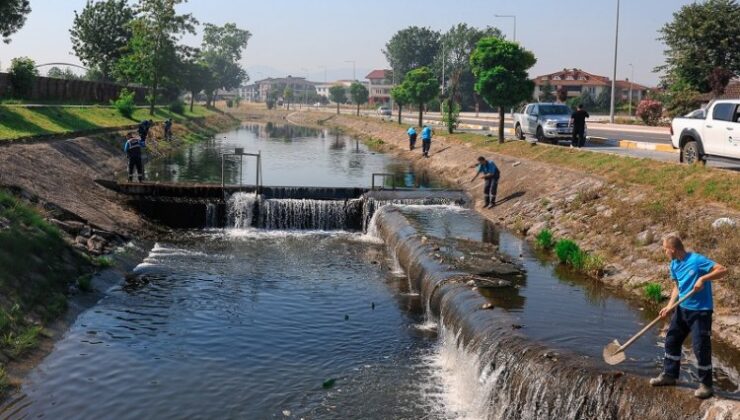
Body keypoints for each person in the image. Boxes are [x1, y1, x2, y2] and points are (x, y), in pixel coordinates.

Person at [649, 235, 727, 399]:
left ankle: (706, 385)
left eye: (665, 249)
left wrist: (703, 278)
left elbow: (722, 270)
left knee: (700, 348)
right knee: (671, 340)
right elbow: (677, 287)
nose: (664, 252)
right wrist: (670, 306)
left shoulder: (697, 260)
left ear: (672, 249)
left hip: (701, 312)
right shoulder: (674, 264)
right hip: (682, 309)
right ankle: (670, 375)